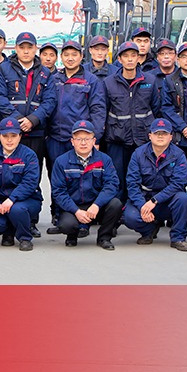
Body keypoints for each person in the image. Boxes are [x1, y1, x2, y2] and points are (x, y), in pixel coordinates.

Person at [46, 40, 106, 230]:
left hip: (81, 140)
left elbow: (98, 110)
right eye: (66, 55)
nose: (70, 58)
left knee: (82, 179)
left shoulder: (91, 80)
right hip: (56, 137)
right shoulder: (53, 79)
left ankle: (85, 218)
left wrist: (95, 137)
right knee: (57, 178)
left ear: (81, 57)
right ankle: (59, 216)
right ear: (61, 57)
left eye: (74, 54)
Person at [0, 32, 58, 175]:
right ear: (16, 48)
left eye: (30, 47)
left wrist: (33, 120)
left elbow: (50, 100)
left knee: (33, 173)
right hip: (10, 132)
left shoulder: (45, 73)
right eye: (22, 47)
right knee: (8, 173)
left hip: (36, 132)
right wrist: (17, 119)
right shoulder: (4, 69)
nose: (26, 51)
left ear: (35, 48)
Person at [102, 41, 160, 202]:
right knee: (117, 180)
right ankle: (117, 212)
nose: (129, 59)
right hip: (117, 139)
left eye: (133, 56)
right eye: (125, 56)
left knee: (142, 178)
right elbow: (104, 110)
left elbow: (156, 108)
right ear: (119, 59)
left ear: (138, 58)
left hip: (142, 139)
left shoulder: (150, 80)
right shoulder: (108, 83)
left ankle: (140, 210)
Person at [50, 120, 122, 250]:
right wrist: (76, 211)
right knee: (67, 225)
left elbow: (112, 185)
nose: (83, 143)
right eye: (79, 139)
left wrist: (97, 205)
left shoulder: (104, 160)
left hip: (96, 205)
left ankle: (104, 238)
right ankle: (72, 235)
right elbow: (59, 192)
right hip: (73, 206)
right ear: (72, 141)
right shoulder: (61, 162)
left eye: (87, 139)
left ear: (94, 141)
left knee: (115, 204)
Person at [124, 118, 187, 251]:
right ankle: (148, 231)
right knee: (130, 216)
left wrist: (155, 200)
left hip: (167, 200)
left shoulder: (178, 155)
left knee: (183, 199)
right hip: (145, 197)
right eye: (157, 133)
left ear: (171, 137)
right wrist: (142, 206)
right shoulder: (138, 154)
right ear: (150, 135)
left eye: (164, 133)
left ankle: (178, 238)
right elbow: (132, 184)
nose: (160, 136)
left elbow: (178, 183)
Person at [0, 117, 43, 251]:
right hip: (1, 201)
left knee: (17, 210)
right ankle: (8, 232)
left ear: (20, 136)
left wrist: (12, 199)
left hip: (26, 200)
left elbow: (30, 183)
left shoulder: (29, 155)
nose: (9, 140)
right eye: (5, 136)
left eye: (13, 136)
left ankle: (25, 238)